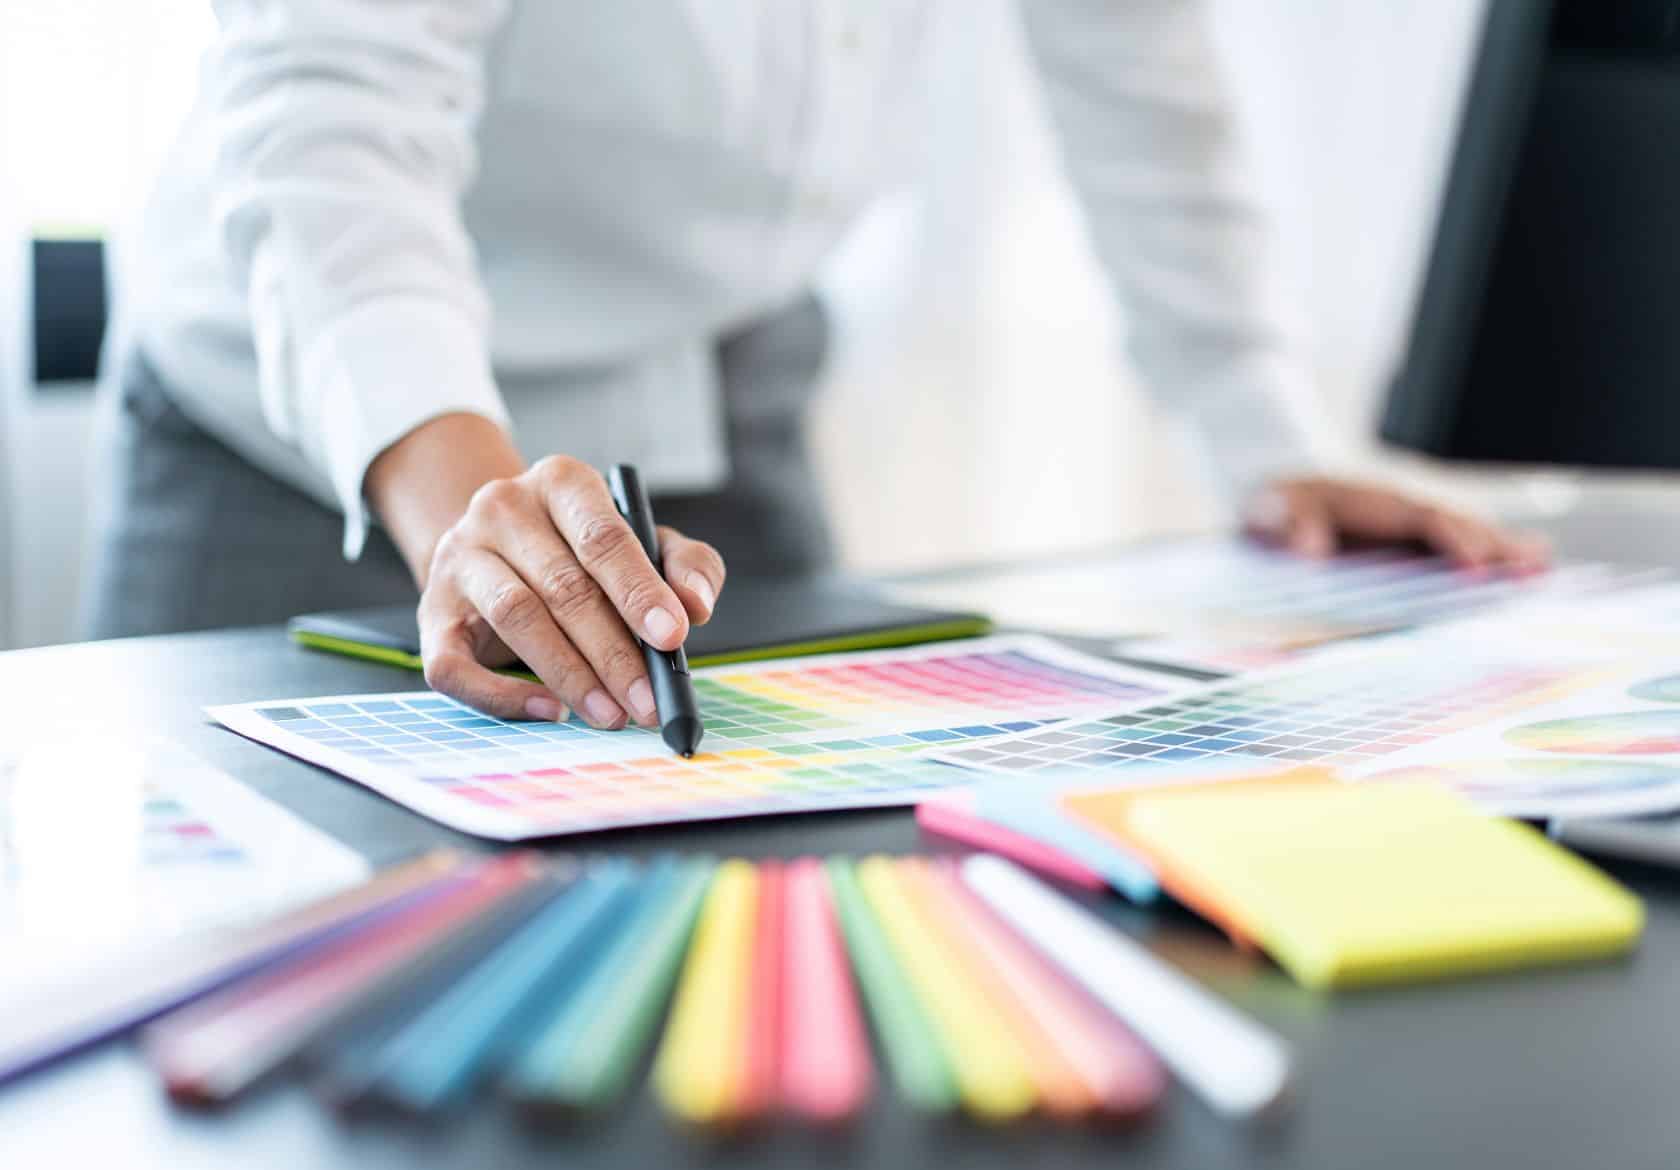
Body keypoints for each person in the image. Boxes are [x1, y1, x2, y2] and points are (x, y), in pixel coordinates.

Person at [84, 1, 1546, 732]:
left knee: (787, 923)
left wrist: (1263, 422)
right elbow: (331, 114)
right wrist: (474, 508)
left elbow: (1136, 59)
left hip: (719, 386)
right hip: (315, 432)